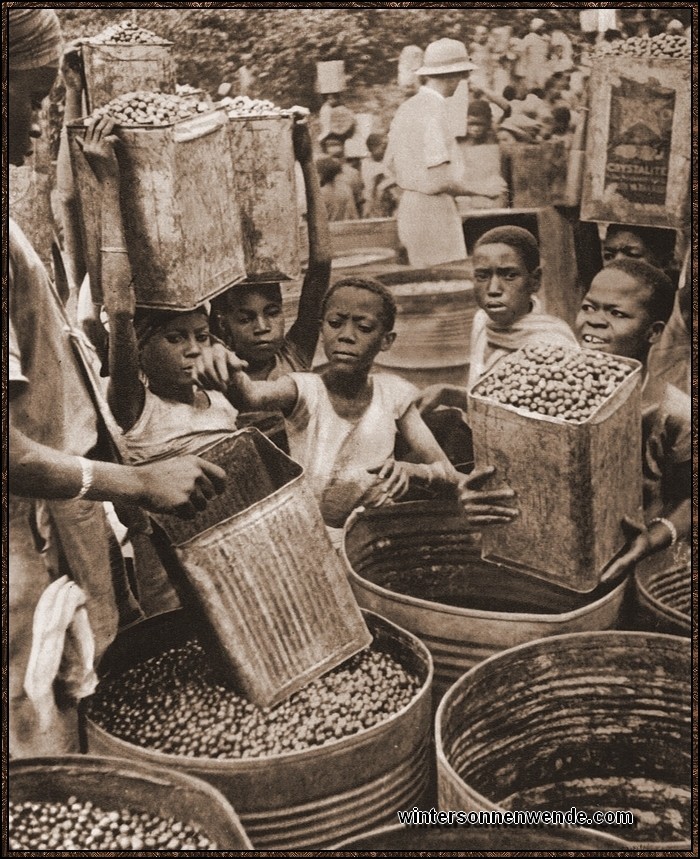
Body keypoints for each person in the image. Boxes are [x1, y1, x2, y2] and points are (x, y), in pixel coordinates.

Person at [8, 9, 226, 758]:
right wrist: (139, 484)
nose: (41, 120)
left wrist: (77, 109)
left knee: (77, 693)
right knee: (43, 729)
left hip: (63, 519)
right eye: (31, 96)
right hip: (34, 533)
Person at [196, 277, 520, 543]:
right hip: (315, 538)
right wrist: (224, 365)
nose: (346, 337)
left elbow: (444, 471)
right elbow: (251, 396)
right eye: (336, 324)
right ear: (322, 328)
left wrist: (413, 471)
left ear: (386, 340)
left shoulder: (393, 394)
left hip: (376, 538)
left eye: (364, 328)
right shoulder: (304, 390)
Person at [211, 117, 332, 449]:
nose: (262, 327)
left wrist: (306, 162)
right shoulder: (214, 366)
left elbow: (320, 268)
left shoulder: (292, 357)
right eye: (246, 318)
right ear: (223, 326)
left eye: (272, 312)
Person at [575, 259, 691, 578]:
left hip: (635, 561)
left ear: (653, 332)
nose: (595, 322)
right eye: (589, 307)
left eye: (617, 313)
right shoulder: (557, 388)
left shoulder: (672, 412)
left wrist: (654, 537)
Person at [415, 226, 578, 415]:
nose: (493, 289)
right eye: (482, 276)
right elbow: (494, 400)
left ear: (535, 280)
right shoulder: (482, 320)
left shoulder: (552, 345)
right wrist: (451, 395)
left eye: (509, 275)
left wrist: (456, 397)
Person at [385, 38, 506, 268]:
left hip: (410, 207)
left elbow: (390, 163)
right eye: (462, 75)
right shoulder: (435, 111)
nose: (463, 82)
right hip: (432, 212)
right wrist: (481, 189)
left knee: (424, 278)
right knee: (446, 278)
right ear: (453, 76)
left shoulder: (408, 107)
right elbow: (439, 180)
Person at [455, 99, 506, 213]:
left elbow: (507, 109)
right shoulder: (459, 145)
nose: (476, 128)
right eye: (472, 124)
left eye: (480, 124)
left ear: (488, 123)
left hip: (492, 199)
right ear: (466, 121)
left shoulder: (496, 143)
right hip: (467, 199)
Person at [320, 131, 365, 217]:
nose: (334, 148)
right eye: (330, 145)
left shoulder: (352, 173)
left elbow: (359, 202)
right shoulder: (321, 169)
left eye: (336, 144)